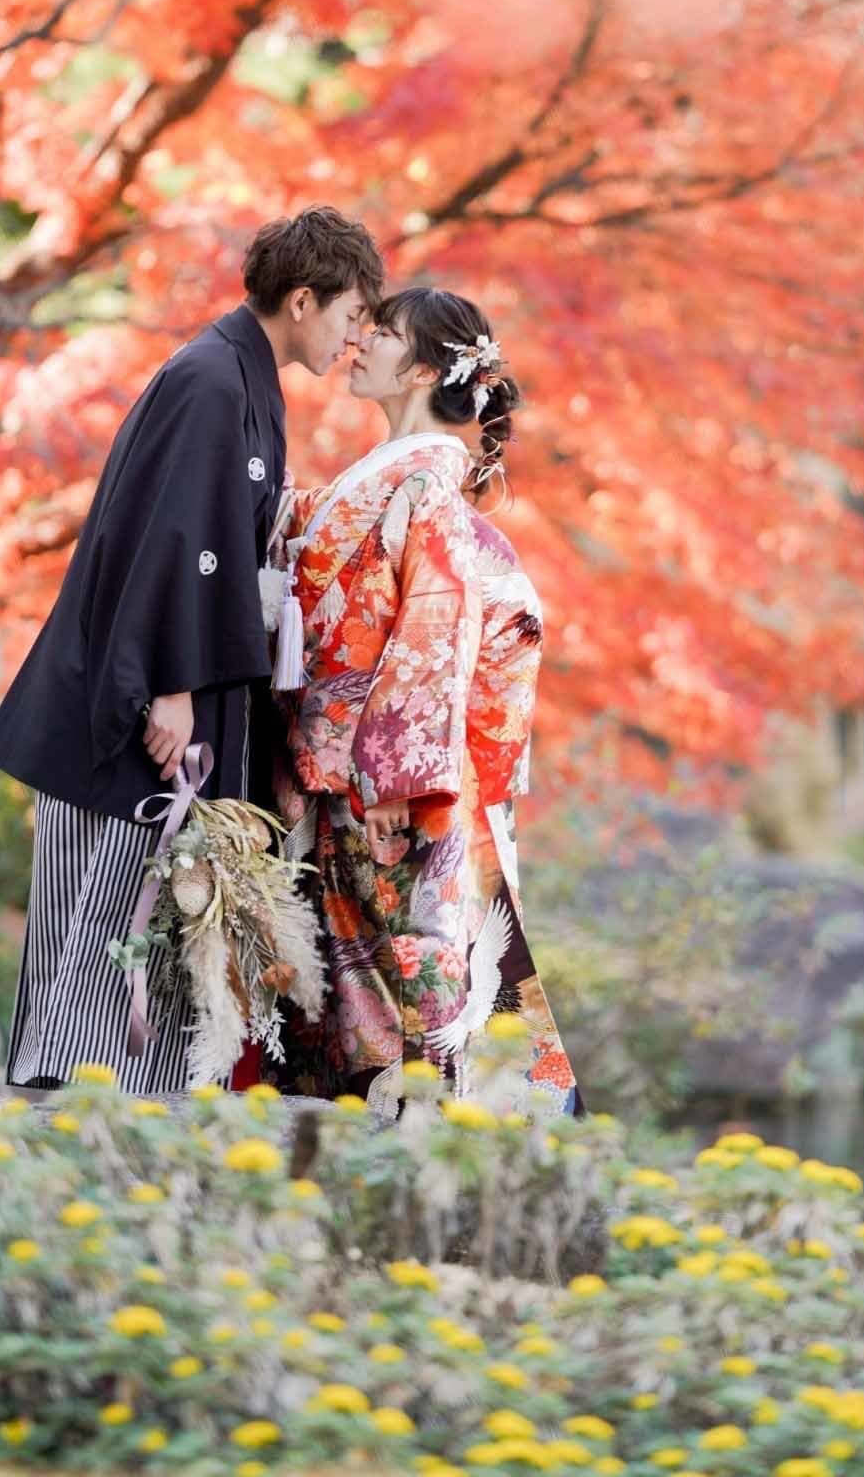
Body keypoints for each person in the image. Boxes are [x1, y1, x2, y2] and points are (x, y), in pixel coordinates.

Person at [0, 207, 384, 1093]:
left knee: (123, 919)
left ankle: (86, 1107)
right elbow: (168, 540)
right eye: (352, 315)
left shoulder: (242, 378)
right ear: (304, 300)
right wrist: (172, 683)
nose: (355, 337)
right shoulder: (211, 380)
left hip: (163, 688)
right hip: (145, 701)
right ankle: (73, 1112)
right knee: (110, 917)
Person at [268, 285, 579, 1116]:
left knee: (406, 988)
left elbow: (434, 632)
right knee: (344, 986)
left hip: (385, 779)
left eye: (384, 333)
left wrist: (400, 781)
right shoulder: (390, 474)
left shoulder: (431, 481)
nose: (359, 342)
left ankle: (432, 1166)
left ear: (427, 369)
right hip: (337, 766)